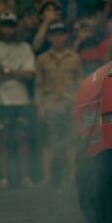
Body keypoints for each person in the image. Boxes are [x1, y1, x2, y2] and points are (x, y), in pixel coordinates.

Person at [0, 13, 36, 188]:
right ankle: (3, 177)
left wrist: (6, 71)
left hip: (21, 100)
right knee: (2, 141)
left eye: (11, 26)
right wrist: (16, 73)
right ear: (0, 28)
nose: (8, 29)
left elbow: (29, 75)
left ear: (16, 27)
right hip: (0, 101)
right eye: (5, 26)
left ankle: (25, 177)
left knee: (23, 139)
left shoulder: (25, 47)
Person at [34, 22, 83, 187]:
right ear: (49, 37)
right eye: (54, 35)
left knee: (71, 142)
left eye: (61, 34)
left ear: (66, 36)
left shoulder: (74, 58)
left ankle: (72, 177)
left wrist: (78, 105)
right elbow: (39, 85)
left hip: (70, 103)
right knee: (48, 142)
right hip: (50, 105)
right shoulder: (42, 59)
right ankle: (47, 178)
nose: (57, 38)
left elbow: (79, 82)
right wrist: (39, 106)